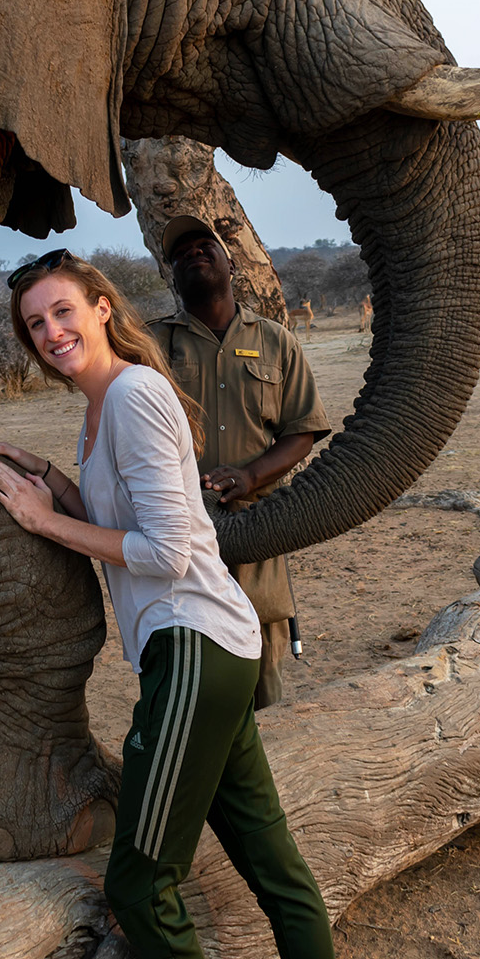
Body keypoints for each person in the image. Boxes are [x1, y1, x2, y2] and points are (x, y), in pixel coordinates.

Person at [0, 248, 372, 959]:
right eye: (35, 326)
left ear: (103, 308)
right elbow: (140, 514)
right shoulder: (105, 410)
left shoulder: (140, 395)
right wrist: (62, 486)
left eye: (64, 313)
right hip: (207, 650)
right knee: (275, 868)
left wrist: (44, 523)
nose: (53, 335)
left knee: (142, 881)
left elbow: (169, 547)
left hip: (191, 652)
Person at [150, 216, 331, 710]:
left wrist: (251, 475)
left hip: (258, 524)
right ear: (172, 276)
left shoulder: (276, 341)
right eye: (179, 252)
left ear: (231, 261)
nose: (192, 254)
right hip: (180, 531)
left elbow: (302, 430)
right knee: (189, 658)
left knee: (260, 667)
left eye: (203, 244)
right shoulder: (149, 346)